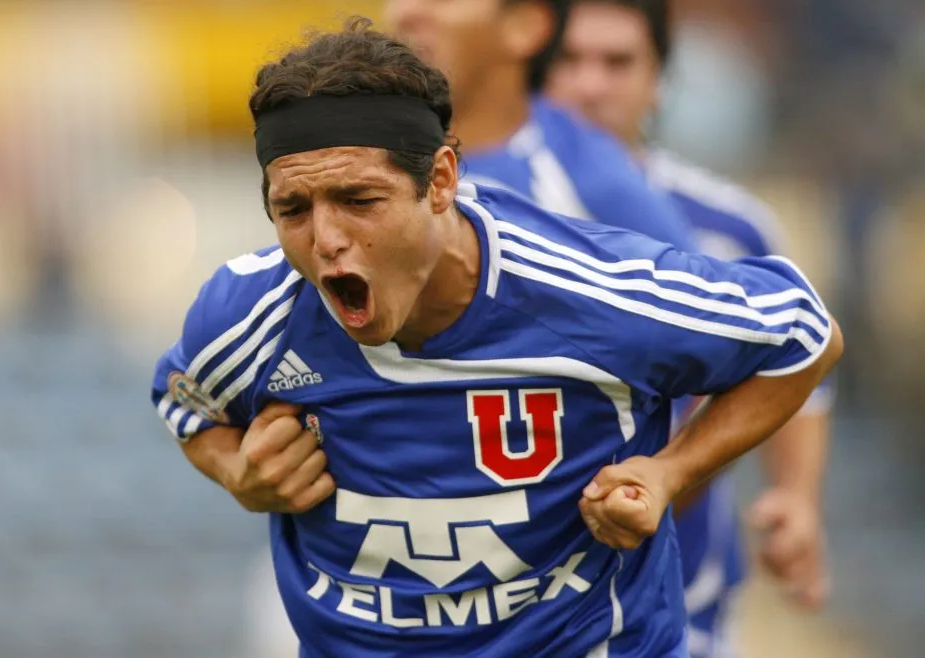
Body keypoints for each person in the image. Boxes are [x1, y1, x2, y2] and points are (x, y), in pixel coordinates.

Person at [151, 19, 842, 658]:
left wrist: (670, 472)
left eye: (360, 201)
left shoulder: (585, 291)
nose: (327, 240)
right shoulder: (248, 313)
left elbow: (804, 333)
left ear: (442, 180)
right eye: (293, 209)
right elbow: (184, 400)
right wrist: (236, 471)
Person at [543, 2, 834, 656]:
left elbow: (802, 365)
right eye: (570, 60)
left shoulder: (731, 227)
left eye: (617, 62)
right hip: (518, 591)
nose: (591, 84)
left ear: (659, 78)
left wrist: (796, 498)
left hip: (683, 587)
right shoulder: (475, 221)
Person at [383, 0, 697, 252]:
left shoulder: (592, 185)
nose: (407, 11)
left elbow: (694, 317)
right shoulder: (355, 150)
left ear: (524, 26)